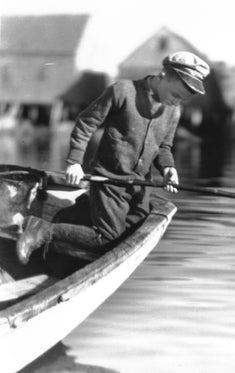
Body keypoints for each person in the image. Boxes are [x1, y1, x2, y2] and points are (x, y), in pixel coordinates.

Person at [16, 51, 210, 264]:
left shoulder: (174, 112)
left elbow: (163, 147)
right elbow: (86, 123)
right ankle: (43, 229)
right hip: (108, 180)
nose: (176, 102)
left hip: (139, 185)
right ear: (164, 75)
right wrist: (74, 162)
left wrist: (168, 168)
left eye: (182, 99)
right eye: (175, 94)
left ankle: (81, 210)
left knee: (136, 227)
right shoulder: (123, 91)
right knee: (107, 237)